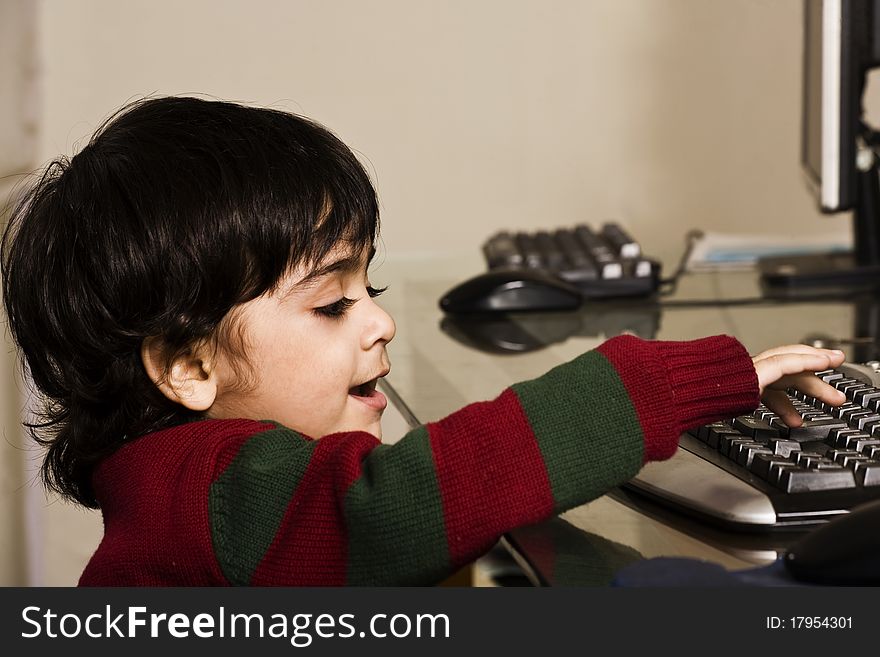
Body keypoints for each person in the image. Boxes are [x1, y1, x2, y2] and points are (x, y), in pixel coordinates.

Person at [1, 96, 846, 586]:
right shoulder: (213, 491)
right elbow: (395, 503)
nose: (380, 320)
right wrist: (676, 381)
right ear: (187, 365)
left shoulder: (173, 484)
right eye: (331, 305)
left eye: (369, 287)